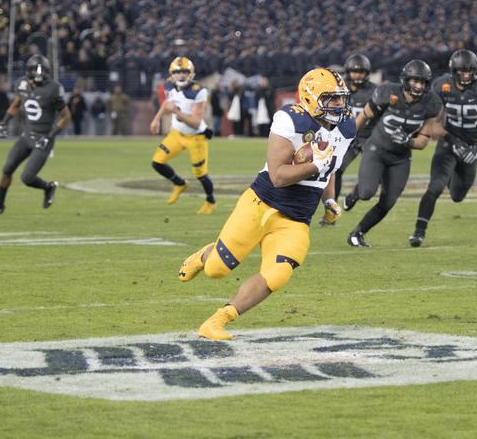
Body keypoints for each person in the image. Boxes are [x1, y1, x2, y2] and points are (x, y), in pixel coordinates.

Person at [176, 68, 354, 340]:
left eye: (341, 98)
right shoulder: (291, 120)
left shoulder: (346, 127)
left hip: (296, 218)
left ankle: (217, 320)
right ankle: (205, 255)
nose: (339, 105)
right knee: (216, 270)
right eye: (332, 98)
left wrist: (329, 198)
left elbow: (330, 168)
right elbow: (278, 176)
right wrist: (314, 165)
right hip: (261, 204)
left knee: (278, 274)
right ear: (310, 98)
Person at [345, 60, 443, 247]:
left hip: (400, 158)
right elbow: (364, 116)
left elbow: (423, 141)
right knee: (366, 193)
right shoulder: (387, 92)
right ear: (406, 80)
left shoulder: (431, 103)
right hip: (377, 149)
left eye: (422, 82)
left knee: (388, 202)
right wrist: (348, 138)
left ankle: (357, 233)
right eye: (415, 81)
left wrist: (409, 141)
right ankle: (356, 192)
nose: (418, 86)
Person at [409, 49, 477, 247]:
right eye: (462, 71)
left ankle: (452, 178)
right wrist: (451, 139)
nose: (466, 75)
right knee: (435, 187)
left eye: (469, 71)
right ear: (454, 71)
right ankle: (418, 232)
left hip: (471, 147)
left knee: (458, 196)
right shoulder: (442, 86)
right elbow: (432, 122)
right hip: (448, 143)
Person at [0, 54, 71, 216]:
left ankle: (48, 187)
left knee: (27, 178)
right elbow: (16, 104)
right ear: (28, 71)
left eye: (42, 70)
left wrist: (49, 136)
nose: (39, 74)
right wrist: (4, 123)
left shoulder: (53, 88)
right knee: (7, 169)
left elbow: (66, 116)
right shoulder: (22, 85)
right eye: (36, 70)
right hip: (26, 136)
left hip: (43, 138)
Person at [149, 56, 217, 215]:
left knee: (201, 174)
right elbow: (168, 102)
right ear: (172, 73)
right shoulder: (169, 84)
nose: (180, 75)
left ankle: (211, 201)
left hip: (196, 137)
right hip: (177, 134)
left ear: (191, 73)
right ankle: (180, 184)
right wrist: (156, 119)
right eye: (177, 72)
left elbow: (195, 122)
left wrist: (176, 112)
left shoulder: (198, 91)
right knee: (157, 162)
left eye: (184, 72)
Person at [322, 53, 377, 226]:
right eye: (355, 71)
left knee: (374, 173)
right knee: (336, 170)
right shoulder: (340, 89)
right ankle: (331, 211)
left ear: (367, 73)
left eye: (361, 72)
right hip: (347, 138)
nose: (358, 75)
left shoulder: (375, 91)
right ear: (348, 72)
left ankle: (355, 194)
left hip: (370, 137)